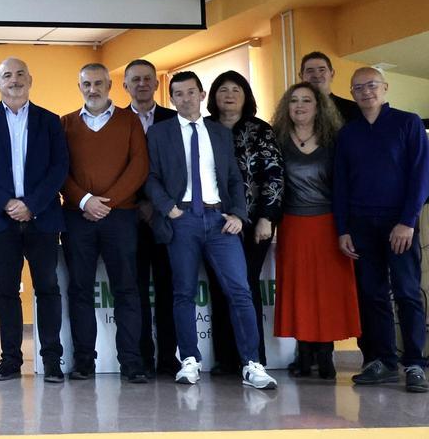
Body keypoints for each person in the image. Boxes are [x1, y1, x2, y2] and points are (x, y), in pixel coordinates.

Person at [144, 71, 277, 390]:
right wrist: (169, 208)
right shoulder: (159, 133)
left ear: (202, 95)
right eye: (177, 93)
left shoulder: (217, 133)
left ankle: (251, 363)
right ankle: (189, 360)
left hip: (220, 221)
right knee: (183, 292)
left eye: (191, 92)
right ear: (171, 98)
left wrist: (239, 214)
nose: (185, 98)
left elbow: (232, 177)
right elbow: (149, 177)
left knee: (240, 291)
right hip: (182, 218)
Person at [0, 57, 68, 382]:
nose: (14, 80)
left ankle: (51, 359)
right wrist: (6, 202)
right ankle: (10, 359)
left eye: (21, 73)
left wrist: (31, 205)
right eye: (7, 76)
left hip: (42, 218)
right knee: (6, 290)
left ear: (30, 79)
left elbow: (59, 167)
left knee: (47, 288)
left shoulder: (50, 121)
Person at [335, 67, 429, 393]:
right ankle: (383, 361)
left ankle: (416, 363)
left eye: (371, 85)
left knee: (406, 292)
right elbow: (341, 185)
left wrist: (408, 221)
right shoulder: (348, 134)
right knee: (371, 294)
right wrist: (343, 228)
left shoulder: (408, 123)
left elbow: (420, 176)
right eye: (358, 87)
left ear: (385, 87)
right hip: (361, 225)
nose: (366, 92)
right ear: (351, 93)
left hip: (399, 224)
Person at [59, 63, 149, 382]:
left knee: (127, 289)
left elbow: (139, 166)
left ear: (110, 85)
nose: (92, 89)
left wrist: (105, 203)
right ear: (79, 86)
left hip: (120, 217)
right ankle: (84, 361)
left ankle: (131, 361)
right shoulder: (66, 123)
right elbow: (59, 170)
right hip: (77, 217)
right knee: (79, 290)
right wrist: (85, 201)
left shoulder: (130, 121)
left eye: (98, 83)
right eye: (87, 84)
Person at [270, 82, 357, 379]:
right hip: (293, 224)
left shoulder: (335, 139)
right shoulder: (278, 139)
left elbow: (345, 185)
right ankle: (304, 354)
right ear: (286, 107)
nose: (300, 105)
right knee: (299, 290)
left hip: (329, 225)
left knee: (328, 292)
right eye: (294, 100)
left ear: (318, 106)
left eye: (307, 100)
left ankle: (326, 354)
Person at [205, 71, 284, 374]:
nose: (228, 95)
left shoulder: (260, 130)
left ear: (245, 95)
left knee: (244, 287)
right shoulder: (205, 129)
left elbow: (274, 176)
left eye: (235, 89)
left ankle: (252, 359)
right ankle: (226, 359)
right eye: (222, 89)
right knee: (219, 287)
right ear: (213, 96)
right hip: (213, 222)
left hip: (253, 223)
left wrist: (267, 217)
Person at [122, 59, 180, 377]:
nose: (142, 84)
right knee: (136, 291)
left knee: (168, 289)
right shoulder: (115, 121)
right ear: (125, 86)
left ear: (156, 84)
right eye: (135, 79)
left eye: (147, 79)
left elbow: (179, 171)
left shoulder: (174, 119)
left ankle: (168, 358)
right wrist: (138, 202)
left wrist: (156, 204)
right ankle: (143, 358)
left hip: (167, 218)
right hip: (129, 219)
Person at [300, 52, 362, 123]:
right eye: (310, 71)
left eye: (322, 70)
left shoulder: (353, 109)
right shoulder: (293, 111)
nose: (316, 75)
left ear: (332, 74)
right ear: (301, 76)